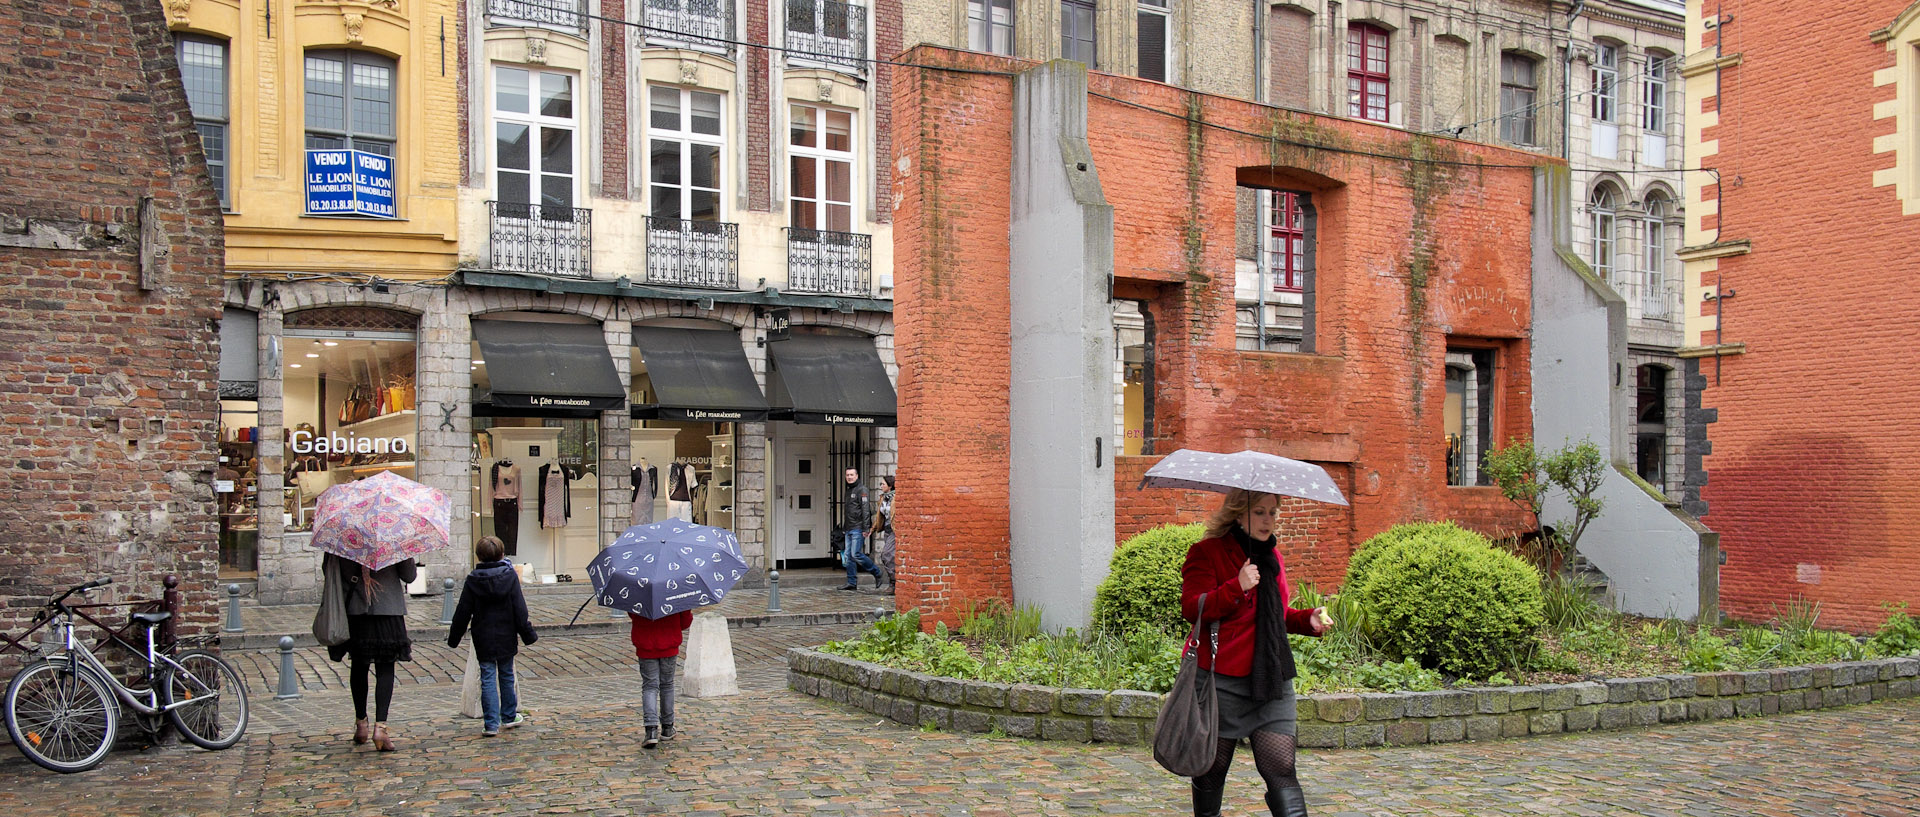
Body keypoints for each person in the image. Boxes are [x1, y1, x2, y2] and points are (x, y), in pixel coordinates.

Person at [1179, 489, 1333, 817]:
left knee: (1281, 766)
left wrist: (1308, 619)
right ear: (1238, 513)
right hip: (1221, 683)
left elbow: (1275, 617)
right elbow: (1193, 608)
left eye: (1273, 512)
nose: (1268, 520)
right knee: (1211, 770)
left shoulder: (1272, 558)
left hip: (1270, 679)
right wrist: (1237, 586)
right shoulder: (1207, 553)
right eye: (1259, 512)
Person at [324, 552, 419, 752]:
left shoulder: (344, 536)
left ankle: (361, 723)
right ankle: (381, 728)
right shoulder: (393, 534)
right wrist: (407, 554)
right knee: (385, 667)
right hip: (388, 609)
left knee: (359, 665)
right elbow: (409, 576)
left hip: (357, 610)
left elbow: (329, 570)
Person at [447, 536, 539, 737]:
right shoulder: (510, 577)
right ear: (502, 554)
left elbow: (463, 611)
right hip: (506, 633)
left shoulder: (473, 580)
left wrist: (454, 637)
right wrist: (528, 633)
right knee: (506, 675)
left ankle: (490, 723)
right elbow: (519, 608)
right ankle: (508, 716)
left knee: (487, 677)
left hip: (483, 635)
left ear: (478, 556)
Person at [629, 608, 693, 748]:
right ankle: (667, 727)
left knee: (650, 686)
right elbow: (685, 622)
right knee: (667, 685)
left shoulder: (639, 590)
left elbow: (632, 614)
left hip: (646, 643)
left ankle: (651, 730)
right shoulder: (675, 591)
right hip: (669, 643)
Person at [837, 468, 884, 591]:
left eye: (852, 475)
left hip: (858, 527)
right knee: (848, 556)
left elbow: (865, 510)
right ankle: (851, 582)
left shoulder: (862, 490)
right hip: (849, 528)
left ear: (857, 475)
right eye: (847, 475)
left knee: (855, 553)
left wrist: (866, 527)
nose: (849, 477)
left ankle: (877, 572)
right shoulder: (848, 490)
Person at [869, 474, 896, 593]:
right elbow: (879, 517)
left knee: (886, 555)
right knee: (889, 557)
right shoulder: (883, 498)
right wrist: (873, 529)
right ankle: (894, 582)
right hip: (887, 529)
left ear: (890, 486)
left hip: (895, 529)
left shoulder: (896, 497)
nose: (881, 486)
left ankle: (894, 581)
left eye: (883, 484)